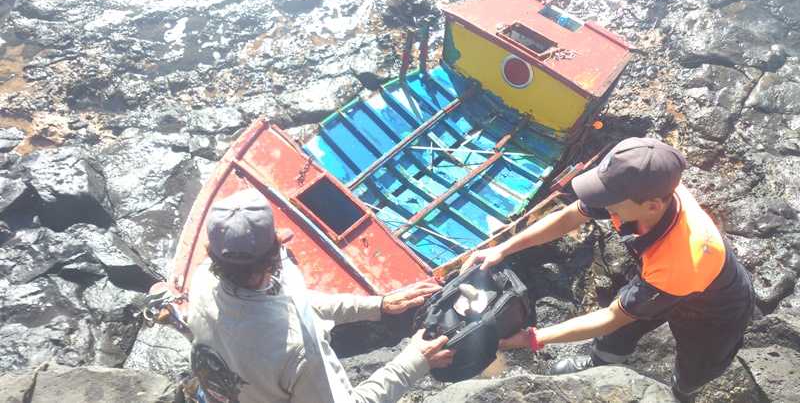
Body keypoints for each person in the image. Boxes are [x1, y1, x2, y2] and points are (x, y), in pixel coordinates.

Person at [461, 137, 754, 402]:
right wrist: (502, 249)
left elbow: (612, 318)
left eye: (609, 200)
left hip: (712, 311)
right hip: (658, 273)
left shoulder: (680, 259)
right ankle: (603, 365)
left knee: (697, 366)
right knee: (619, 332)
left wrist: (533, 338)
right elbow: (569, 217)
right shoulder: (645, 184)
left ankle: (681, 392)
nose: (600, 203)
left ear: (652, 207)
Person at [187, 188, 455, 403]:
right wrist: (414, 362)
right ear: (277, 250)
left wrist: (378, 305)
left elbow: (294, 301)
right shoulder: (299, 350)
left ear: (211, 250)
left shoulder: (201, 278)